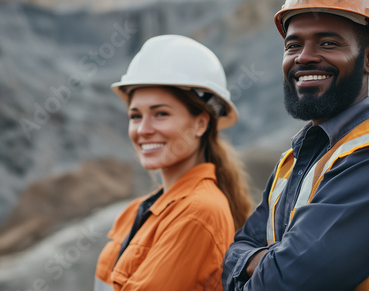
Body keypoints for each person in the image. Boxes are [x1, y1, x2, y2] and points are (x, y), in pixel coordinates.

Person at [222, 0, 369, 291]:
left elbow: (281, 284)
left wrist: (257, 263)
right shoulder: (293, 162)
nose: (304, 57)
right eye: (293, 45)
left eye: (328, 43)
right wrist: (261, 262)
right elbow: (233, 256)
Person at [95, 34, 252, 291]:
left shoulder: (199, 213)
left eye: (160, 114)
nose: (143, 130)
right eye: (135, 116)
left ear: (201, 123)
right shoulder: (138, 211)